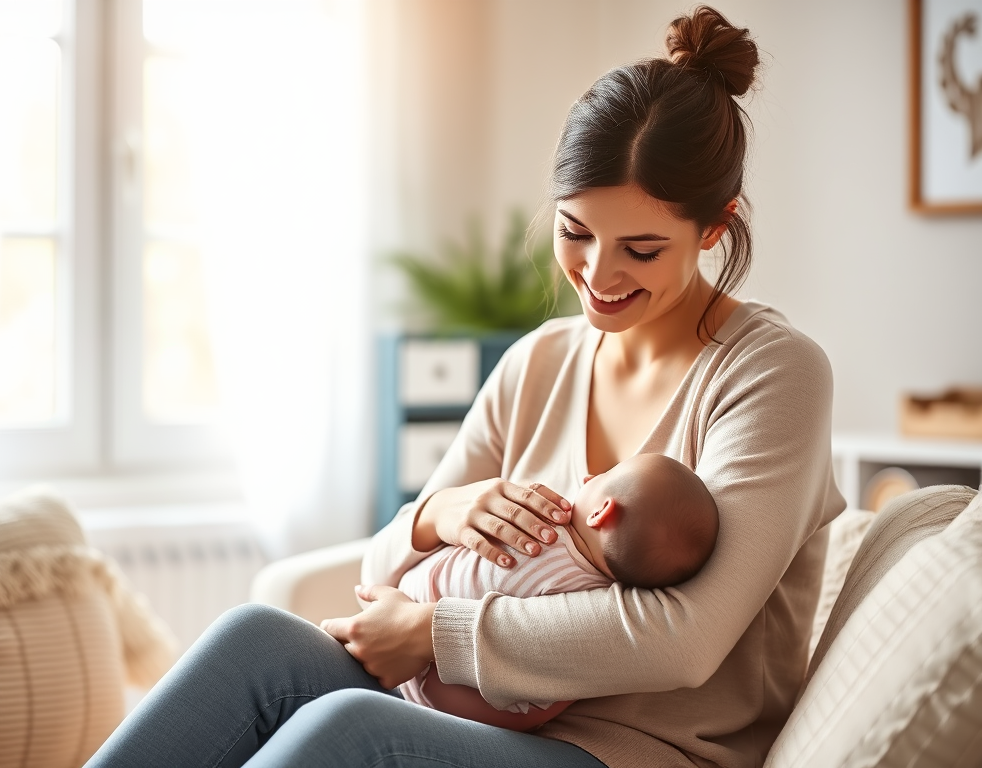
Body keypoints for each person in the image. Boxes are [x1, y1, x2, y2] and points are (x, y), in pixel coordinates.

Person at [85, 6, 845, 768]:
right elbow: (380, 573)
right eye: (575, 232)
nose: (599, 275)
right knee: (253, 638)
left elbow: (686, 641)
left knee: (349, 729)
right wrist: (440, 515)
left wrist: (433, 635)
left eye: (641, 249)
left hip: (636, 752)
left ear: (715, 227)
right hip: (468, 717)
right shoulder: (539, 363)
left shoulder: (772, 374)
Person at [398, 452, 720, 732]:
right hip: (439, 680)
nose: (589, 476)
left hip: (410, 599)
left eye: (604, 476)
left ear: (600, 512)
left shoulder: (535, 516)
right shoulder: (592, 605)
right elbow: (529, 710)